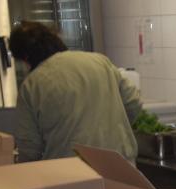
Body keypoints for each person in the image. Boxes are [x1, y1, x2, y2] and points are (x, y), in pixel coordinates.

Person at [10, 21, 141, 162]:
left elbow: (30, 147)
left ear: (25, 57)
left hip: (71, 173)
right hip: (120, 166)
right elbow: (133, 103)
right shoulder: (99, 61)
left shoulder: (32, 85)